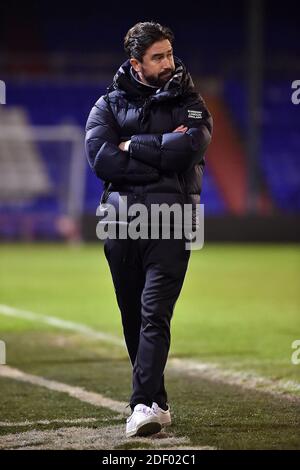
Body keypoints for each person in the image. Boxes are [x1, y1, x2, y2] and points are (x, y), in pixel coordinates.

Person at [85, 21, 213, 438]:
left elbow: (190, 147)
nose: (168, 63)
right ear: (136, 63)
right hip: (121, 223)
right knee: (132, 317)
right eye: (157, 57)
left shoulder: (191, 102)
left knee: (154, 312)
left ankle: (142, 405)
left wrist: (131, 144)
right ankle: (157, 399)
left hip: (174, 220)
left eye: (169, 54)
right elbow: (102, 159)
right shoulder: (106, 105)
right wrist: (161, 146)